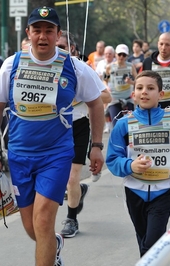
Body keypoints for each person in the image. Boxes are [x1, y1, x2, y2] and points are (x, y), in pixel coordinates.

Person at [0, 7, 105, 266]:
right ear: (28, 33)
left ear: (57, 34)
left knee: (42, 221)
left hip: (56, 155)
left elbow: (97, 103)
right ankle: (55, 245)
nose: (42, 35)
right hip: (19, 156)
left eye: (49, 30)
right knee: (32, 229)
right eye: (37, 29)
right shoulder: (12, 64)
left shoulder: (74, 67)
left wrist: (96, 146)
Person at [106, 70, 170, 257]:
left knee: (152, 243)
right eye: (140, 88)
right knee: (144, 239)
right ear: (133, 94)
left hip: (163, 190)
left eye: (150, 88)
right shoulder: (123, 124)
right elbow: (112, 159)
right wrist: (130, 165)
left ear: (161, 94)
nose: (144, 92)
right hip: (134, 191)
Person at [56, 30, 111, 238]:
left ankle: (71, 219)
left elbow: (106, 96)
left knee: (71, 177)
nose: (57, 50)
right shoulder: (42, 67)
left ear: (71, 48)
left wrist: (81, 97)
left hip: (77, 125)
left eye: (62, 47)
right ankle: (78, 191)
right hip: (52, 127)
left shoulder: (81, 69)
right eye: (55, 46)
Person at [104, 44, 137, 126]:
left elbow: (138, 81)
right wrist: (106, 87)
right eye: (119, 54)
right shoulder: (109, 67)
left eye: (124, 55)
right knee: (116, 125)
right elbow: (105, 80)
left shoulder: (130, 67)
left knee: (130, 125)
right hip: (114, 99)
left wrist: (131, 82)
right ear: (115, 54)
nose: (121, 57)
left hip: (128, 98)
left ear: (127, 56)